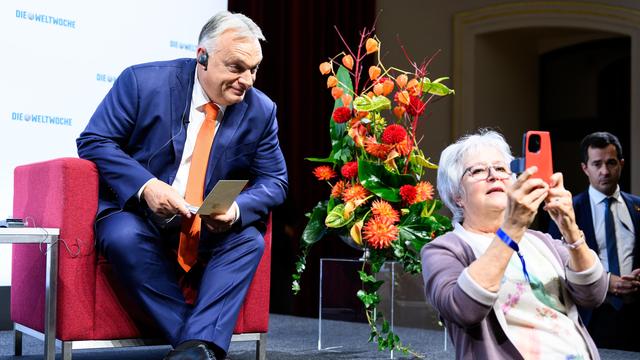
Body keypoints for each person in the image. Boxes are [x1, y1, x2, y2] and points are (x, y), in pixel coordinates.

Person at [77, 11, 287, 360]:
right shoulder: (143, 83)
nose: (247, 80)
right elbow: (95, 140)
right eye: (236, 67)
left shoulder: (261, 110)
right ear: (202, 56)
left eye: (253, 69)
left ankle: (191, 350)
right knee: (122, 236)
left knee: (249, 240)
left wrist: (234, 210)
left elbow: (275, 181)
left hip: (204, 223)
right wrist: (146, 186)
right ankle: (197, 344)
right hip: (138, 213)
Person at [421, 130, 607, 359]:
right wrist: (512, 228)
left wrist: (569, 228)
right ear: (456, 194)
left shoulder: (542, 242)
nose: (494, 176)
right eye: (478, 170)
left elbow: (594, 294)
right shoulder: (444, 249)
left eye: (501, 169)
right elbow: (463, 308)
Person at [548, 131, 640, 351]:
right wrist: (607, 281)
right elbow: (556, 263)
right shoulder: (568, 211)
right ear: (585, 168)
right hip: (591, 315)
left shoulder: (637, 207)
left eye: (611, 163)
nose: (605, 171)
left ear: (622, 164)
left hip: (636, 313)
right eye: (597, 164)